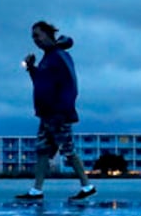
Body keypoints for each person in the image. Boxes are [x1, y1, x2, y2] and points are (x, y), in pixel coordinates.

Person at [17, 20, 95, 201]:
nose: (35, 40)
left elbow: (70, 84)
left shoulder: (59, 56)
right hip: (47, 114)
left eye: (37, 35)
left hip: (58, 113)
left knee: (68, 149)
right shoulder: (48, 58)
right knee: (43, 151)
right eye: (33, 37)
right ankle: (37, 190)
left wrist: (63, 110)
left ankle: (87, 186)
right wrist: (31, 68)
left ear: (47, 34)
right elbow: (42, 83)